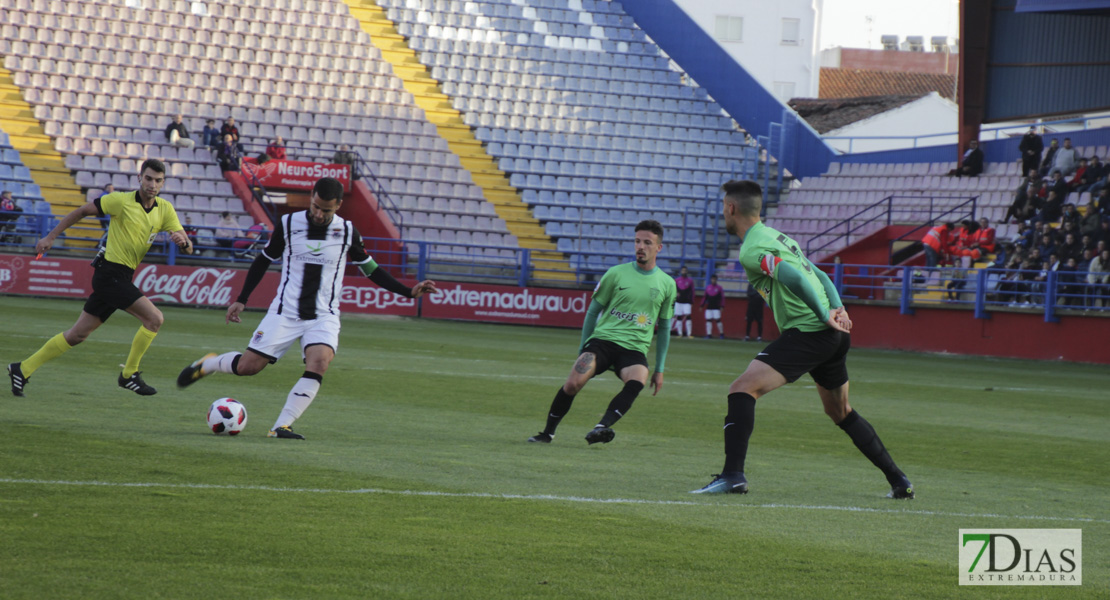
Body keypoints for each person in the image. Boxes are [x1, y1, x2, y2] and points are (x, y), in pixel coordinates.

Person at [691, 180, 913, 499]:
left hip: (810, 333)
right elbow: (819, 274)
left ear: (731, 208)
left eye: (723, 207)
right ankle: (899, 481)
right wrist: (837, 308)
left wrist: (824, 314)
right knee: (841, 412)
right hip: (834, 337)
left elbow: (794, 277)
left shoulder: (752, 249)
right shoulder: (780, 237)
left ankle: (732, 476)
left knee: (742, 388)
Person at [176, 177, 436, 439]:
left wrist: (409, 291)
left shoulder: (346, 231)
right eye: (316, 207)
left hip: (324, 315)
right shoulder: (289, 224)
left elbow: (371, 269)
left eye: (327, 210)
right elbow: (263, 261)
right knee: (249, 367)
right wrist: (242, 298)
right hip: (285, 312)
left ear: (339, 206)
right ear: (311, 197)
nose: (319, 214)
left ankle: (281, 426)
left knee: (320, 362)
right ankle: (209, 364)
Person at [8, 159, 193, 397]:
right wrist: (51, 236)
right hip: (109, 274)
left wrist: (183, 242)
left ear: (163, 182)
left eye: (158, 180)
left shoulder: (165, 209)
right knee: (154, 319)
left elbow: (188, 246)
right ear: (140, 178)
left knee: (77, 335)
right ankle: (129, 375)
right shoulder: (120, 201)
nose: (152, 184)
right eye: (148, 178)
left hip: (122, 277)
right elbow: (83, 211)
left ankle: (22, 369)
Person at [527, 220, 676, 445]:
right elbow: (592, 312)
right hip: (602, 342)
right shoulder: (616, 274)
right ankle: (547, 433)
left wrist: (660, 369)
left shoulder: (667, 284)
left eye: (647, 242)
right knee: (573, 384)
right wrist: (583, 348)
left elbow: (664, 328)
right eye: (637, 241)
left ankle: (601, 427)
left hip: (634, 349)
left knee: (639, 379)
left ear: (658, 248)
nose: (640, 247)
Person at [672, 265, 694, 338]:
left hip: (687, 301)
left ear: (687, 272)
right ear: (681, 271)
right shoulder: (677, 280)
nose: (684, 272)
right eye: (683, 270)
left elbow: (692, 291)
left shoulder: (690, 281)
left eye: (685, 270)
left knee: (688, 315)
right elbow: (673, 290)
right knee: (678, 316)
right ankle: (680, 333)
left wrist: (692, 301)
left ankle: (689, 334)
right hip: (678, 301)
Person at [702, 274, 725, 339]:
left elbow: (722, 298)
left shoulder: (719, 288)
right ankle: (709, 334)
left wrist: (722, 306)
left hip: (716, 307)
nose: (713, 280)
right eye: (712, 279)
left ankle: (721, 334)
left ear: (716, 280)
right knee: (708, 320)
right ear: (711, 280)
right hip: (709, 307)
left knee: (718, 320)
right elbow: (705, 297)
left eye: (714, 279)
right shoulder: (708, 287)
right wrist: (702, 305)